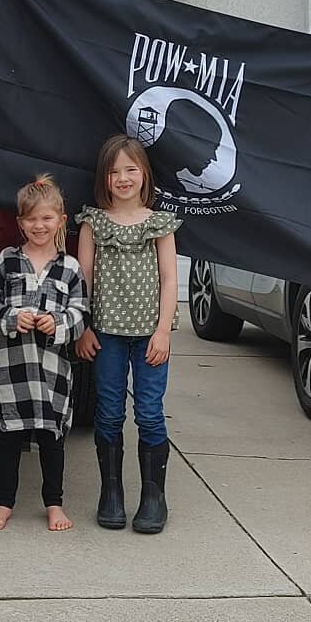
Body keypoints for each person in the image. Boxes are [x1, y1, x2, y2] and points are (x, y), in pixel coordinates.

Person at [75, 134, 181, 534]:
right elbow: (83, 280)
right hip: (106, 336)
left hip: (150, 337)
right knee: (109, 410)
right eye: (115, 171)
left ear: (144, 175)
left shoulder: (159, 224)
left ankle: (154, 496)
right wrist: (82, 327)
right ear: (104, 178)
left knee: (150, 412)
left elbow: (171, 280)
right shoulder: (93, 224)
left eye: (131, 170)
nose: (123, 178)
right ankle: (112, 492)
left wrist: (163, 333)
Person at [0, 174, 89, 532]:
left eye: (46, 218)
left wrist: (58, 324)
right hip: (14, 370)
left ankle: (53, 504)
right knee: (8, 438)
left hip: (52, 373)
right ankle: (4, 502)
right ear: (20, 223)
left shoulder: (69, 268)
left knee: (51, 440)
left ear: (60, 220)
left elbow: (82, 311)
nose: (39, 226)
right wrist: (12, 318)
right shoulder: (7, 261)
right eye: (31, 219)